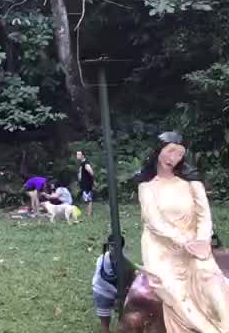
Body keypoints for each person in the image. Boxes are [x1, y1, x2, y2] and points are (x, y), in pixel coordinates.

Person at [137, 131, 229, 333]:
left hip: (194, 242)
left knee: (209, 275)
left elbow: (204, 215)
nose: (174, 158)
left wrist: (202, 239)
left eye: (179, 154)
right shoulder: (147, 187)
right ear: (157, 152)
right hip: (161, 248)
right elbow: (154, 222)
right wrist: (182, 241)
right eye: (170, 152)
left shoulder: (192, 183)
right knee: (174, 291)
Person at [92, 237, 124, 333]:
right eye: (111, 245)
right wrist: (117, 292)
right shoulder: (101, 259)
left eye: (116, 246)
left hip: (116, 295)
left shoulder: (123, 262)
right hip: (101, 293)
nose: (113, 248)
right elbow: (100, 280)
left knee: (122, 320)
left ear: (121, 247)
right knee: (105, 323)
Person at [78, 150, 96, 217]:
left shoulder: (86, 163)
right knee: (86, 199)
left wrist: (92, 180)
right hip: (84, 184)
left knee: (89, 200)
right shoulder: (82, 163)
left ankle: (89, 214)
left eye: (79, 154)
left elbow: (91, 172)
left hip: (87, 184)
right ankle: (88, 213)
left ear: (82, 155)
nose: (77, 156)